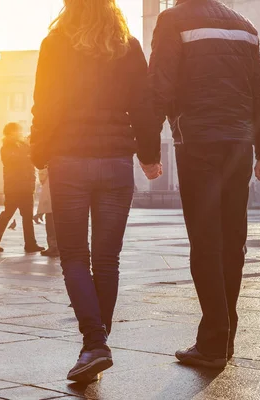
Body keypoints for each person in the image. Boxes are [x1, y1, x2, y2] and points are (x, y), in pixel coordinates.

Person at [31, 1, 162, 382]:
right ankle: (96, 345)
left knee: (74, 257)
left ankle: (95, 343)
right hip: (116, 163)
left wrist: (39, 152)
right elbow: (144, 107)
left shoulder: (55, 43)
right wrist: (149, 156)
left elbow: (45, 105)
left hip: (69, 160)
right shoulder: (127, 44)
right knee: (107, 261)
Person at [149, 0, 260, 368]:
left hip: (198, 142)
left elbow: (160, 84)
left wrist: (147, 146)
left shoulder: (173, 20)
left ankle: (213, 343)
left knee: (206, 241)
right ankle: (225, 337)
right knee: (232, 241)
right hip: (239, 144)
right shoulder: (244, 26)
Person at [0, 123, 44, 253]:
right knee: (7, 214)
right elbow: (11, 160)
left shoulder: (24, 145)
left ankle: (30, 243)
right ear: (10, 133)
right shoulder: (7, 147)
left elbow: (32, 159)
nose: (20, 133)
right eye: (18, 131)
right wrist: (27, 155)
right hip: (14, 186)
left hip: (26, 186)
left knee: (27, 216)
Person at [37, 168, 59, 257]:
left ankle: (53, 247)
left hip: (51, 205)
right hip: (62, 202)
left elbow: (42, 174)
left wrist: (41, 211)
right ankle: (58, 247)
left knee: (50, 225)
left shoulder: (47, 173)